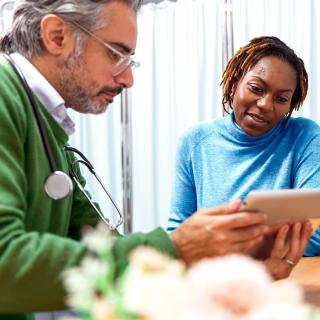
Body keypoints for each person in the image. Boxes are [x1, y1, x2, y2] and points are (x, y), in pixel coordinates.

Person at [0, 1, 277, 319]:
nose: (128, 79)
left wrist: (230, 254)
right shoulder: (5, 95)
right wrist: (176, 249)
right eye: (116, 54)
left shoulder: (49, 130)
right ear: (56, 36)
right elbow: (5, 261)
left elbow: (103, 249)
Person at [168, 35, 318, 273]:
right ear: (236, 81)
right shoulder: (195, 142)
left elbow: (314, 234)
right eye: (256, 88)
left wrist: (220, 244)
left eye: (281, 99)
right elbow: (177, 233)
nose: (266, 105)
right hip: (213, 281)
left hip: (288, 279)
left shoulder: (305, 137)